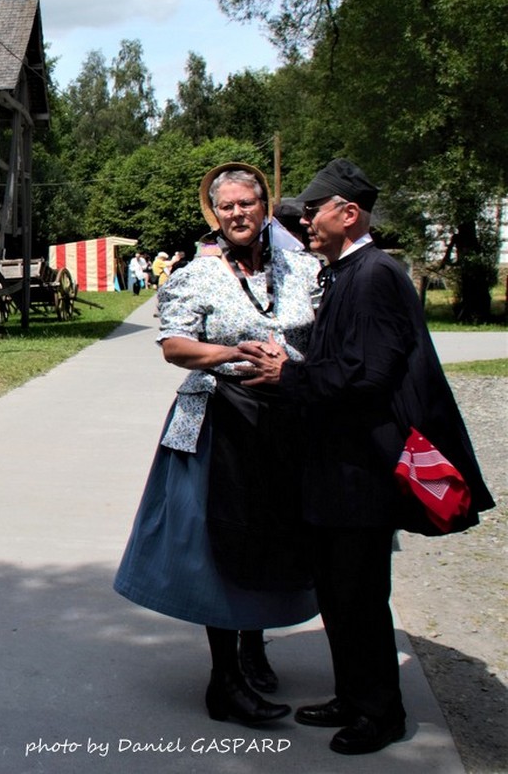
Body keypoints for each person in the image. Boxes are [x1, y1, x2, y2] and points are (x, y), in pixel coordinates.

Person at [238, 159, 495, 755]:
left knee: (358, 595)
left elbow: (369, 378)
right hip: (335, 465)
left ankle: (380, 713)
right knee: (337, 593)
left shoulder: (375, 274)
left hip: (361, 470)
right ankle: (354, 696)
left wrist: (288, 376)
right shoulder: (346, 272)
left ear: (347, 214)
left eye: (313, 210)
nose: (303, 220)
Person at [114, 162, 322, 727]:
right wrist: (230, 353)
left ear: (265, 206)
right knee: (219, 545)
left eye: (246, 204)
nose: (237, 214)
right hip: (216, 421)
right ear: (215, 214)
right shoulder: (198, 274)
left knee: (267, 539)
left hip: (285, 422)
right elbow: (174, 346)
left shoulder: (303, 268)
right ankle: (223, 679)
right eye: (225, 206)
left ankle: (253, 650)